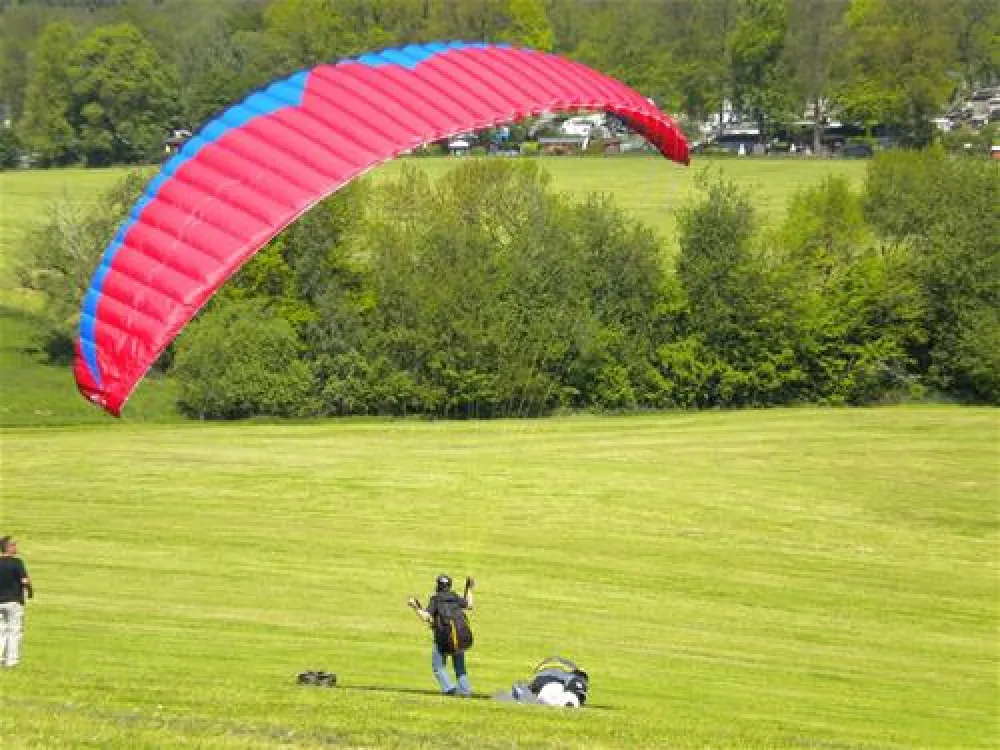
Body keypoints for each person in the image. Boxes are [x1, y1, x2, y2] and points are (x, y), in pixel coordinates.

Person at [407, 574, 474, 696]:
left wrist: (415, 607)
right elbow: (469, 604)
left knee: (438, 667)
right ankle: (465, 691)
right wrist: (469, 589)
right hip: (459, 638)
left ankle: (449, 690)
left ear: (437, 585)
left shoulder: (435, 599)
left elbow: (426, 617)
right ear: (449, 586)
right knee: (460, 668)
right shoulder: (454, 597)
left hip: (442, 640)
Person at [0, 536, 33, 668]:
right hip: (13, 601)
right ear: (8, 547)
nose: (16, 547)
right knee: (14, 631)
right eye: (14, 545)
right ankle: (11, 661)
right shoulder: (17, 562)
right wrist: (30, 591)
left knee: (1, 630)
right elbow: (24, 581)